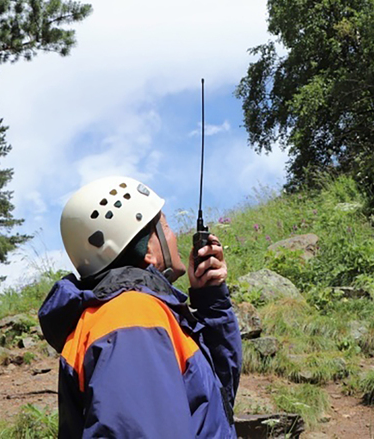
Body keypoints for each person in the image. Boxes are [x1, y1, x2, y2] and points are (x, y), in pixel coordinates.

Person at [38, 176, 241, 438]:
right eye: (166, 227)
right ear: (146, 250)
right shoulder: (131, 317)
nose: (175, 236)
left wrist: (210, 299)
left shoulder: (135, 315)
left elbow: (212, 403)